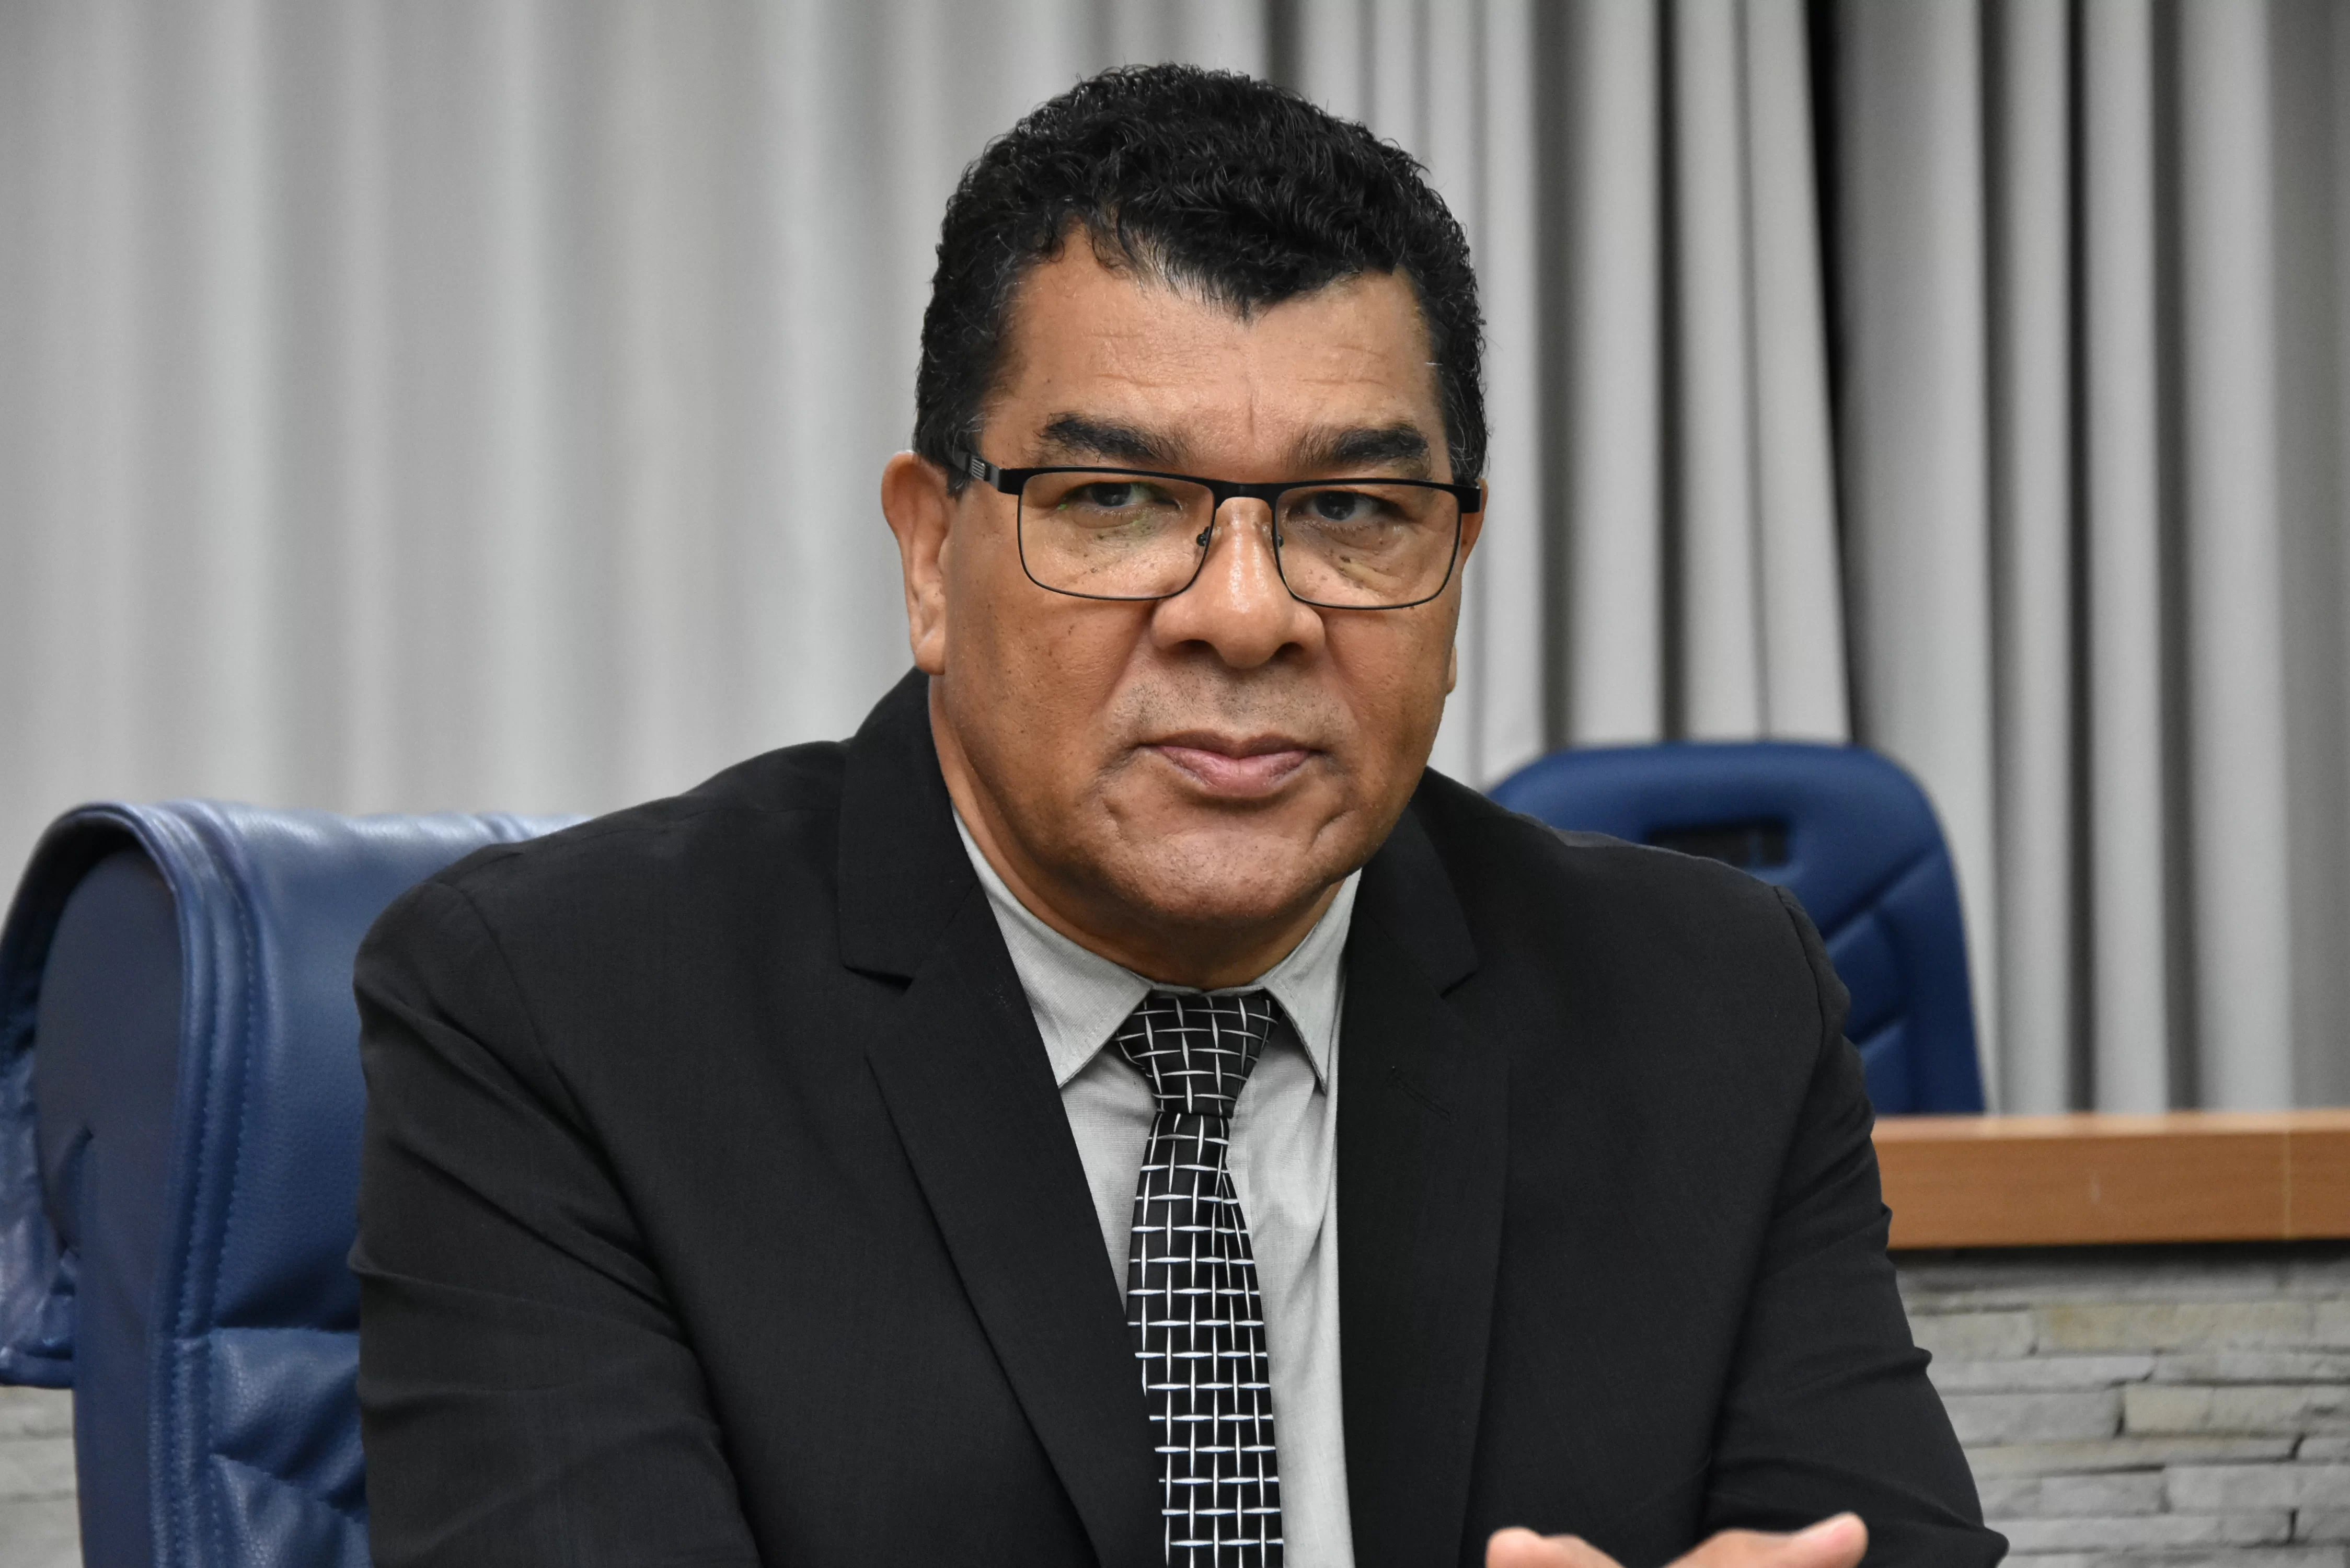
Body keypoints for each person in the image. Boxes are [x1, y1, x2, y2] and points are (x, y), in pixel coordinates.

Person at [352, 64, 2000, 1568]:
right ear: (929, 557)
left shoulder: (1708, 1008)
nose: (1246, 614)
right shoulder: (567, 1013)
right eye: (1120, 499)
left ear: (1455, 562)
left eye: (1350, 509)